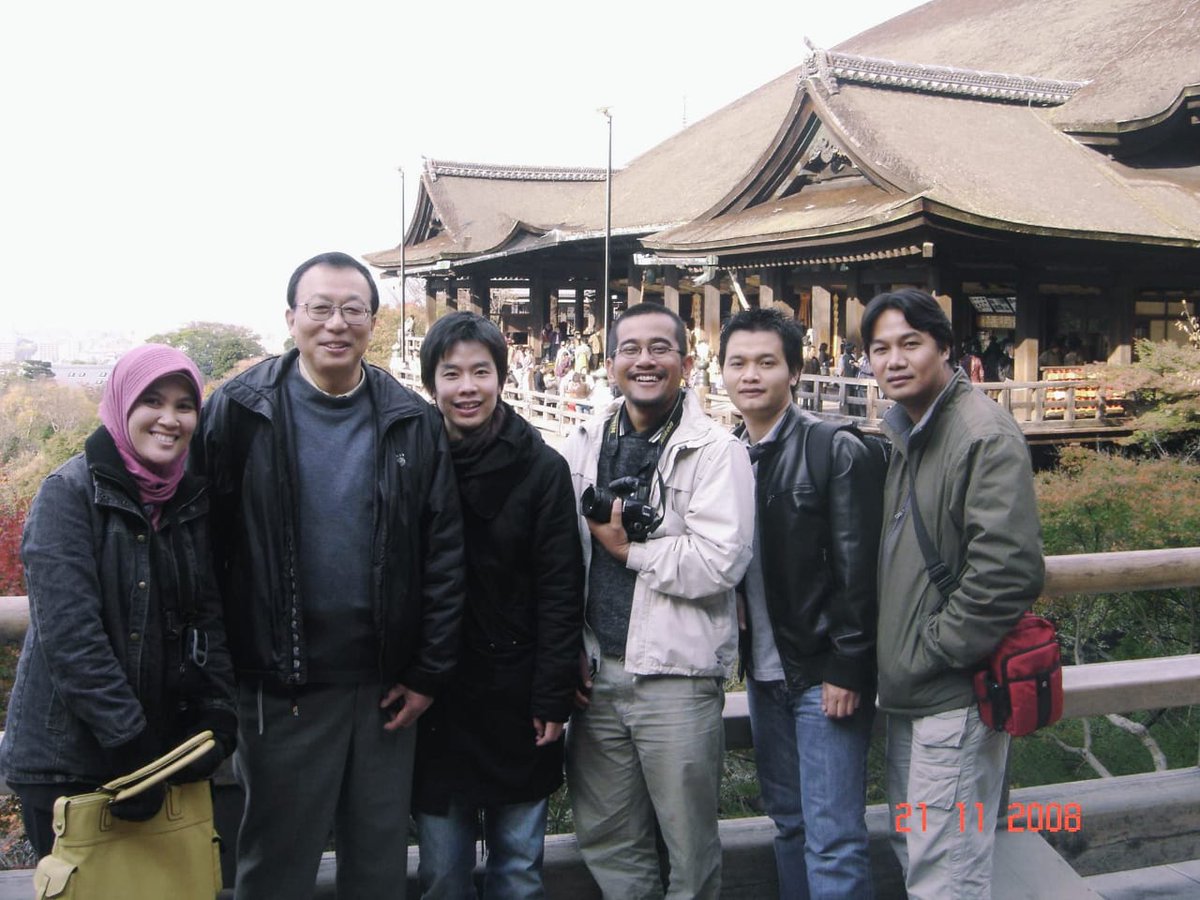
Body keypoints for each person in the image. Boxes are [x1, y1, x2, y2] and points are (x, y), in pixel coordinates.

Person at [191, 251, 466, 900]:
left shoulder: (411, 420)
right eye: (320, 308)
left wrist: (427, 672)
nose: (335, 324)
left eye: (352, 309)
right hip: (278, 685)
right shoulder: (240, 410)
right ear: (292, 318)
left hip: (385, 686)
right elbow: (202, 546)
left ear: (373, 322)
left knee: (376, 865)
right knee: (277, 863)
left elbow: (444, 555)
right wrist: (217, 674)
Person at [1, 344, 237, 858]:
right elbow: (72, 639)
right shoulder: (68, 493)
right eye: (152, 401)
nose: (169, 419)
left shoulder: (186, 498)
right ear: (121, 403)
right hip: (71, 759)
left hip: (158, 756)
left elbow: (206, 615)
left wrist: (218, 711)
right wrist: (130, 745)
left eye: (184, 405)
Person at [563, 303, 755, 899]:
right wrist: (567, 646)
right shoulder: (584, 441)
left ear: (686, 362)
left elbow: (720, 562)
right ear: (612, 361)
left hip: (674, 676)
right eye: (630, 349)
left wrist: (632, 552)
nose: (644, 361)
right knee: (608, 834)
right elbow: (562, 556)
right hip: (596, 675)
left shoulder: (718, 451)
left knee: (688, 844)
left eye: (660, 349)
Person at [863, 289, 1044, 899]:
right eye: (880, 348)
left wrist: (935, 649)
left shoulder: (979, 433)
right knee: (918, 847)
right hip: (914, 693)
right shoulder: (911, 429)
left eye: (911, 343)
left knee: (948, 867)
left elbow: (1009, 570)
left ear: (945, 347)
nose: (894, 360)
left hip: (952, 696)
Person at [415, 312, 584, 899]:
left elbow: (561, 591)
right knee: (442, 871)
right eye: (451, 373)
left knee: (518, 867)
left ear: (502, 377)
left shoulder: (542, 469)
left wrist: (551, 694)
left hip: (518, 693)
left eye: (480, 372)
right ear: (431, 383)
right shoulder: (414, 461)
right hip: (435, 693)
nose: (467, 387)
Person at [719, 309, 884, 898]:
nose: (751, 375)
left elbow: (858, 573)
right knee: (788, 825)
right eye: (738, 363)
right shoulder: (730, 452)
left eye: (767, 362)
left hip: (821, 675)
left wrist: (847, 665)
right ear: (721, 373)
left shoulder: (832, 448)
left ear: (793, 369)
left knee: (833, 835)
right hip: (766, 674)